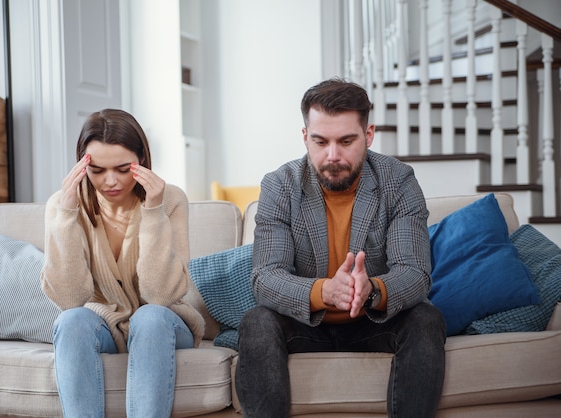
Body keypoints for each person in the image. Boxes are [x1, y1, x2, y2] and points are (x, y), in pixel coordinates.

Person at [235, 78, 446, 418]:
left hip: (373, 322)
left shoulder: (399, 181)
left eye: (346, 141)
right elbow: (266, 277)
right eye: (320, 142)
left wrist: (374, 289)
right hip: (305, 324)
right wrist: (325, 291)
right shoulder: (279, 185)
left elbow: (416, 273)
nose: (333, 156)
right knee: (257, 321)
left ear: (369, 135)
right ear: (305, 137)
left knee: (425, 317)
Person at [40, 109, 204, 418]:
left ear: (141, 161)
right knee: (71, 322)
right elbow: (70, 300)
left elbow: (161, 296)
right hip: (104, 325)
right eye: (98, 170)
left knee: (150, 317)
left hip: (164, 322)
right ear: (81, 165)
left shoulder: (170, 200)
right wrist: (66, 215)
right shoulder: (62, 206)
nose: (110, 181)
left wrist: (154, 211)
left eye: (123, 168)